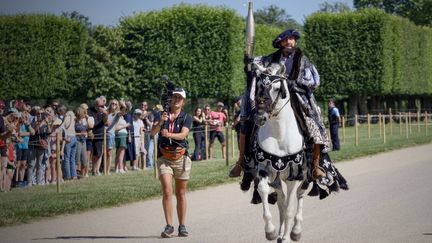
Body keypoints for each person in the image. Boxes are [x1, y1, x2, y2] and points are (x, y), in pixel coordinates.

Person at [229, 29, 328, 185]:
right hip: (271, 98)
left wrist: (296, 83)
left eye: (292, 39)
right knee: (246, 121)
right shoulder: (270, 59)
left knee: (315, 124)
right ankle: (241, 161)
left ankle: (315, 166)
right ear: (280, 43)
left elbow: (315, 81)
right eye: (286, 40)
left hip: (296, 96)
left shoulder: (303, 60)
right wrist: (248, 63)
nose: (290, 42)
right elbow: (257, 67)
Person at [151, 88, 192, 238]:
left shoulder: (187, 117)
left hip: (181, 159)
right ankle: (169, 226)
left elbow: (183, 135)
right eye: (174, 97)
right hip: (164, 158)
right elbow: (152, 133)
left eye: (179, 98)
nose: (176, 100)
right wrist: (161, 121)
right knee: (167, 191)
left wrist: (169, 134)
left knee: (181, 193)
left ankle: (182, 226)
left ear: (183, 101)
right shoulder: (161, 115)